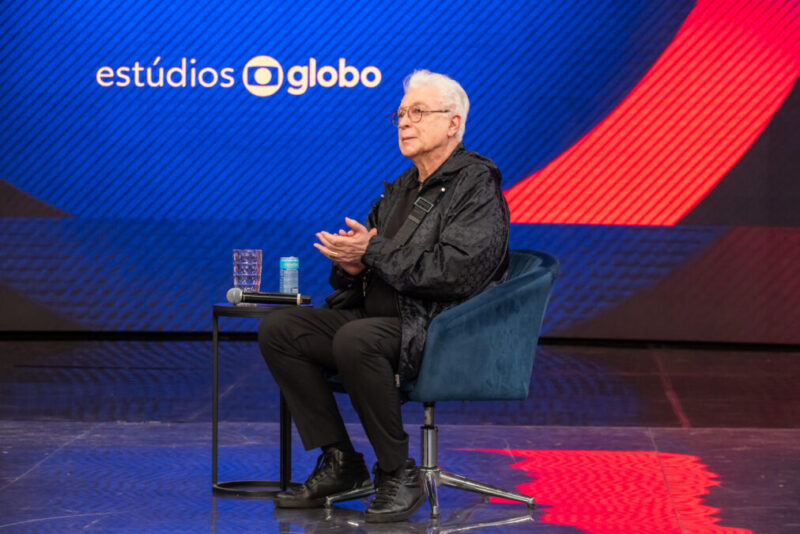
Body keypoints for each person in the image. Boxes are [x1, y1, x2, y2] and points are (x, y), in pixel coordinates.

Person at [258, 69, 510, 523]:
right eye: (400, 113)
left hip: (438, 327)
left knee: (357, 339)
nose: (404, 122)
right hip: (380, 318)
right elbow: (371, 267)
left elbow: (456, 272)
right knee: (282, 329)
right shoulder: (399, 190)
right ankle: (341, 463)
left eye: (418, 113)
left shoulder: (477, 184)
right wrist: (352, 266)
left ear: (453, 123)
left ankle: (398, 473)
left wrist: (372, 250)